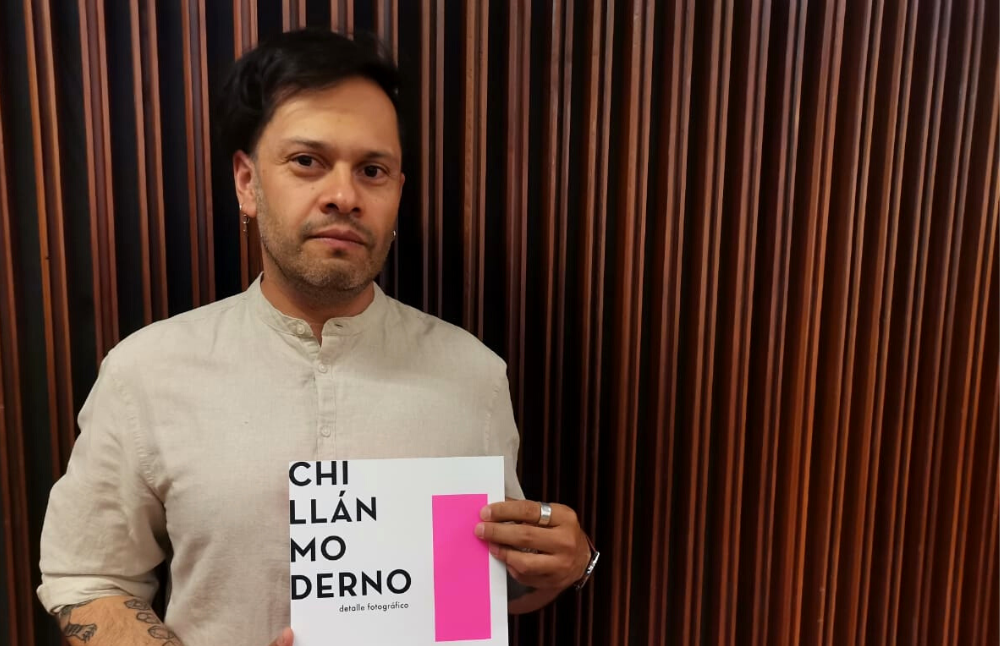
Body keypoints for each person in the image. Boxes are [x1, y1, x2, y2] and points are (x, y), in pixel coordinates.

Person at [37, 29, 598, 646]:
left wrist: (568, 563)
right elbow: (88, 576)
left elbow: (490, 585)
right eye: (307, 161)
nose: (344, 196)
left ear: (397, 192)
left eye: (373, 171)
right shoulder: (145, 372)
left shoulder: (474, 373)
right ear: (247, 182)